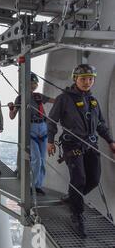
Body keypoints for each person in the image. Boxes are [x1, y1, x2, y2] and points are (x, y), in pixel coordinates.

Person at [47, 64, 115, 238]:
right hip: (73, 146)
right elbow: (52, 121)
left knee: (93, 179)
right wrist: (50, 141)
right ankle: (77, 215)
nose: (87, 82)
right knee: (79, 179)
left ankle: (72, 198)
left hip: (91, 145)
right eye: (83, 78)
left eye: (90, 79)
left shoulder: (93, 101)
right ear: (75, 79)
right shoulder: (64, 99)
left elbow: (100, 124)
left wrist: (110, 141)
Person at [8, 73, 55, 195]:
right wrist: (11, 108)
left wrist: (66, 97)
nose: (33, 86)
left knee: (43, 160)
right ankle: (32, 186)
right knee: (36, 159)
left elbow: (53, 101)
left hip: (43, 128)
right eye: (31, 83)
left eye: (35, 84)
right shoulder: (20, 98)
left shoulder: (39, 96)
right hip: (31, 129)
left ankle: (38, 185)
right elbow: (12, 116)